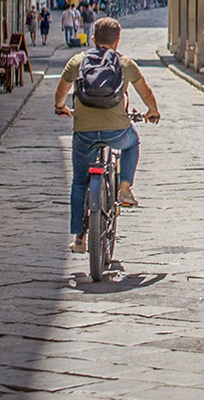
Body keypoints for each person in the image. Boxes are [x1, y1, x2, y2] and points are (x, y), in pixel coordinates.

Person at [53, 17, 161, 254]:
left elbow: (61, 92)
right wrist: (152, 111)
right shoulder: (125, 63)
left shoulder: (78, 61)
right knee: (132, 143)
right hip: (117, 131)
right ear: (117, 40)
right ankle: (124, 186)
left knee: (80, 181)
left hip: (84, 132)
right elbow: (146, 93)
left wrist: (61, 107)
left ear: (93, 39)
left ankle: (79, 237)